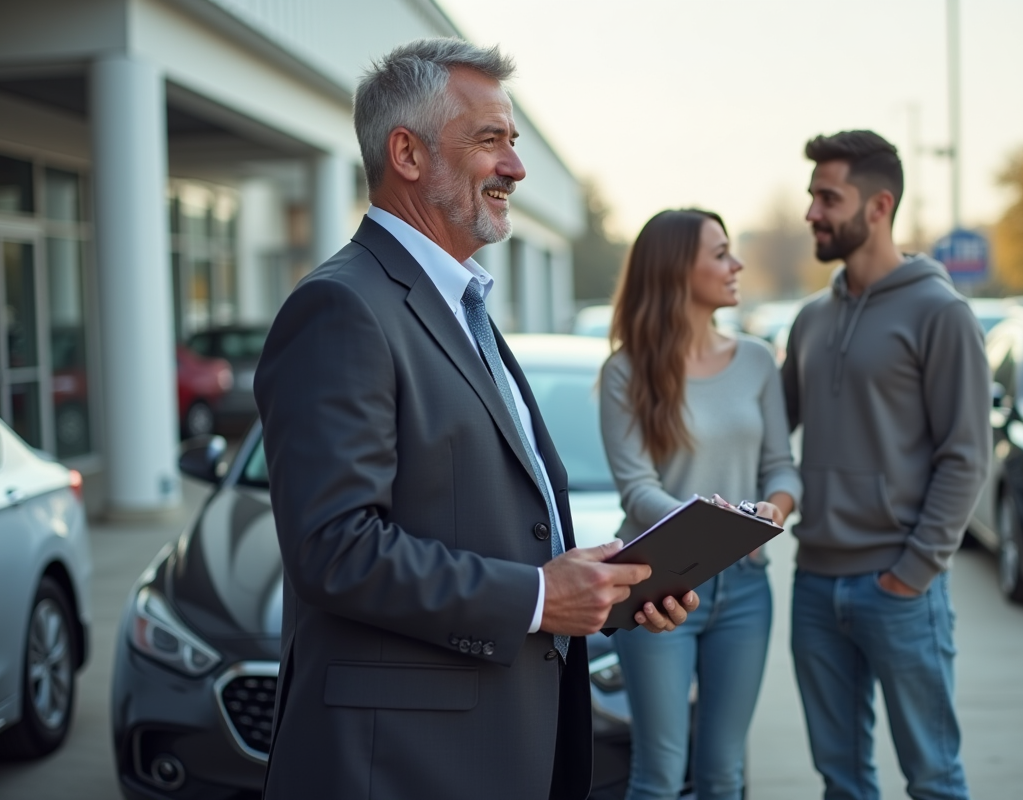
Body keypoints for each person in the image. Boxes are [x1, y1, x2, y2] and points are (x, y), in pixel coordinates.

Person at [253, 39, 697, 800]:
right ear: (408, 154)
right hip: (400, 764)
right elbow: (334, 548)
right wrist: (534, 596)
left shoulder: (463, 307)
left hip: (500, 744)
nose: (515, 167)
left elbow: (490, 522)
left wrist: (601, 588)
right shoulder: (342, 308)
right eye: (490, 140)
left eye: (514, 143)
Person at [781, 130, 991, 800]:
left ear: (878, 206)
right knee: (842, 781)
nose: (811, 211)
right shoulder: (810, 320)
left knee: (933, 779)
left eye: (827, 197)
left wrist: (914, 571)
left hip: (899, 587)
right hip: (814, 583)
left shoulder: (941, 312)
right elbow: (768, 434)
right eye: (812, 196)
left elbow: (966, 455)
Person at [600, 209, 802, 800]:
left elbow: (780, 467)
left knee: (724, 774)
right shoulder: (625, 371)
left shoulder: (759, 360)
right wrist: (711, 524)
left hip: (744, 590)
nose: (735, 264)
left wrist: (776, 510)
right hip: (656, 588)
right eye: (719, 253)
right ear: (674, 270)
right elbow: (636, 488)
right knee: (659, 775)